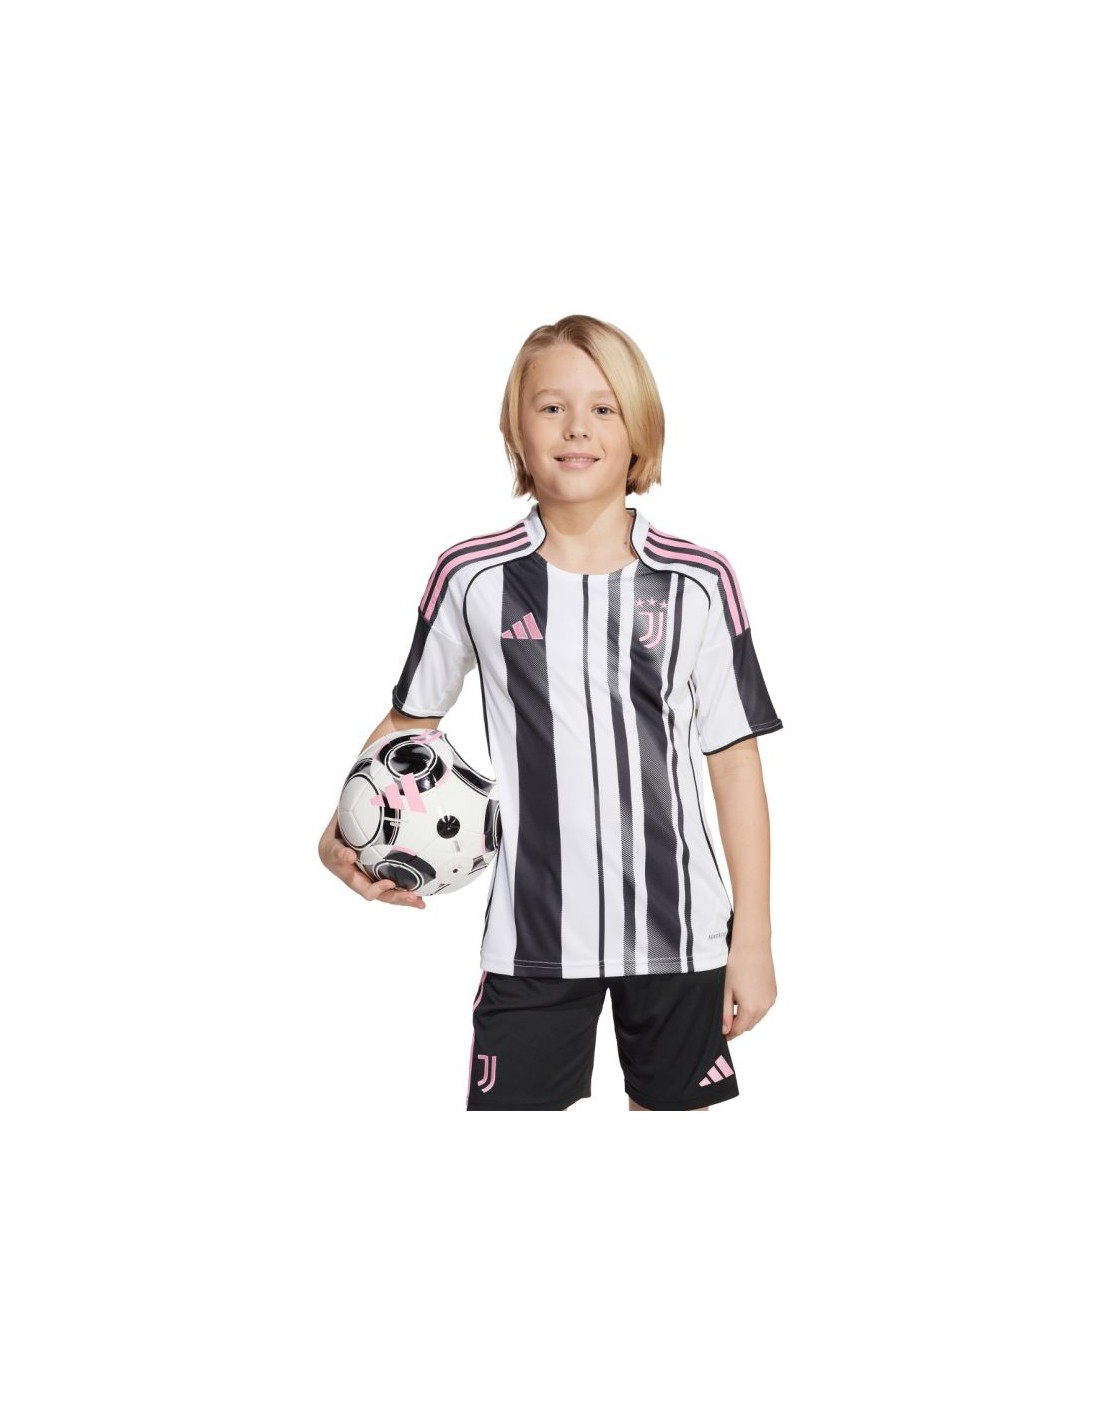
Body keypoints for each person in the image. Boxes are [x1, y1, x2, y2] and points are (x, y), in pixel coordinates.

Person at [318, 315, 783, 1111]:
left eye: (604, 407)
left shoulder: (699, 580)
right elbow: (410, 726)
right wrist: (343, 828)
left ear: (640, 430)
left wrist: (756, 938)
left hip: (681, 935)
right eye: (551, 407)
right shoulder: (471, 576)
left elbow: (734, 760)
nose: (577, 428)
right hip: (532, 939)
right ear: (516, 432)